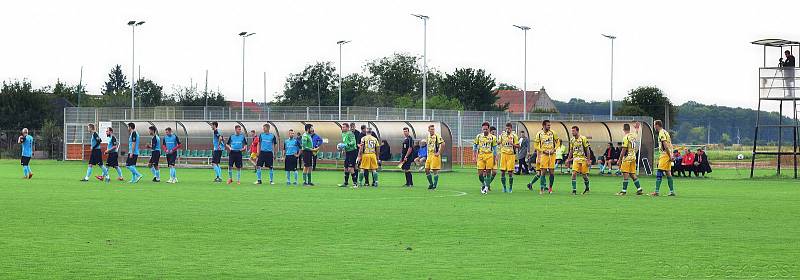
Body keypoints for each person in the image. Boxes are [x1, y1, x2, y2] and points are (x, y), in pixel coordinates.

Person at [529, 120, 560, 194]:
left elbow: (558, 142)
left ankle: (550, 188)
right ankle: (542, 188)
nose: (549, 127)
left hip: (552, 155)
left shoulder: (553, 133)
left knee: (552, 172)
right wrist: (542, 150)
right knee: (543, 172)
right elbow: (535, 145)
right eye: (548, 125)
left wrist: (554, 149)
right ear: (543, 125)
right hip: (544, 155)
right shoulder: (539, 134)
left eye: (550, 125)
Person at [617, 124, 644, 195]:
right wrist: (637, 129)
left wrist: (619, 160)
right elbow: (636, 133)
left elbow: (624, 149)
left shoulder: (625, 137)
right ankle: (639, 189)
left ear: (623, 129)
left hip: (627, 158)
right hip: (633, 157)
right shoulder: (633, 136)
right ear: (629, 129)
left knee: (625, 174)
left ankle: (623, 191)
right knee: (632, 174)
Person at [652, 120, 676, 196]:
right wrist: (671, 154)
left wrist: (670, 155)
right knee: (668, 172)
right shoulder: (665, 132)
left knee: (659, 171)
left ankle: (656, 191)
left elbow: (665, 145)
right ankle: (672, 191)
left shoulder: (661, 133)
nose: (654, 126)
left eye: (654, 125)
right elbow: (670, 144)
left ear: (657, 125)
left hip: (665, 154)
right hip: (668, 153)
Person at [565, 126, 591, 195]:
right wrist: (568, 159)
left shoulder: (583, 138)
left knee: (584, 175)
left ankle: (587, 188)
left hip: (583, 159)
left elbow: (587, 150)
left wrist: (588, 160)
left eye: (573, 131)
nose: (572, 132)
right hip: (575, 159)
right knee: (573, 174)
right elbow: (571, 150)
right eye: (572, 131)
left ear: (577, 131)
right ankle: (574, 190)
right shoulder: (572, 140)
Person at [474, 122, 497, 194]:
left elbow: (495, 149)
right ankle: (484, 184)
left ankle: (486, 187)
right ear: (482, 129)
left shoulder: (493, 137)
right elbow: (475, 146)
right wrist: (474, 156)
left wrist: (494, 158)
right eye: (483, 129)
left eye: (486, 129)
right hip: (481, 156)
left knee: (488, 172)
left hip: (489, 155)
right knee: (480, 174)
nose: (485, 131)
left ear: (488, 129)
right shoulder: (478, 136)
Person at [498, 122, 520, 193]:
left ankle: (510, 187)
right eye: (506, 128)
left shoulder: (514, 136)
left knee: (510, 172)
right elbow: (498, 142)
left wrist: (512, 144)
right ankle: (504, 187)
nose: (508, 130)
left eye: (509, 128)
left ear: (511, 128)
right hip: (503, 154)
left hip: (511, 155)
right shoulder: (502, 135)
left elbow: (518, 146)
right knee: (502, 172)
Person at [425, 124, 446, 190]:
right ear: (428, 130)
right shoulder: (428, 137)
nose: (432, 130)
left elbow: (443, 144)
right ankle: (431, 184)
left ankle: (434, 185)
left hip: (435, 155)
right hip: (429, 155)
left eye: (433, 129)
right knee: (426, 169)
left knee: (434, 170)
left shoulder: (437, 136)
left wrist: (439, 152)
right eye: (431, 129)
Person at [338, 123, 358, 187]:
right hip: (347, 152)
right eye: (342, 127)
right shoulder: (343, 134)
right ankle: (345, 183)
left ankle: (355, 183)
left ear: (347, 128)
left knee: (350, 168)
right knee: (345, 168)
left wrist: (346, 145)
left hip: (352, 152)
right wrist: (342, 148)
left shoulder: (350, 133)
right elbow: (344, 143)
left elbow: (353, 142)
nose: (342, 128)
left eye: (344, 127)